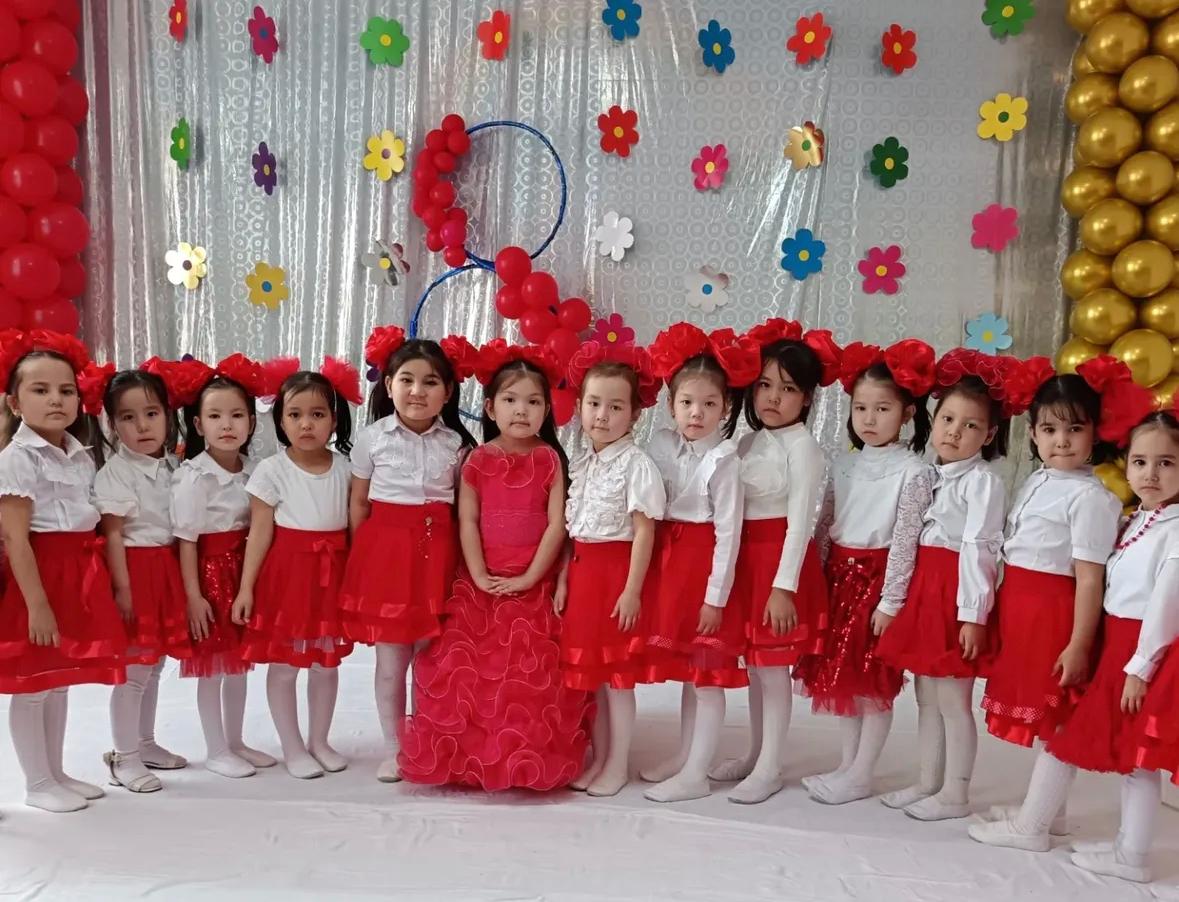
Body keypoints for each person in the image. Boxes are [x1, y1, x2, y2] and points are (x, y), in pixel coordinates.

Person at [970, 374, 1179, 885]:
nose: (1150, 474)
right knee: (1075, 729)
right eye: (1140, 462)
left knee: (1084, 733)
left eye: (1166, 463)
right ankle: (1051, 815)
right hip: (1096, 633)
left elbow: (1115, 586)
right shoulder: (1139, 517)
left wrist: (1098, 648)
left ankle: (1041, 825)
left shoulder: (1104, 504)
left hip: (1115, 640)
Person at [398, 342, 589, 790]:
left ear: (548, 410)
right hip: (480, 582)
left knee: (527, 675)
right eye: (510, 399)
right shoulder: (478, 459)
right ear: (489, 407)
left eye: (533, 402)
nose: (521, 410)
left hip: (533, 581)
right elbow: (467, 519)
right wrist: (479, 574)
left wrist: (531, 576)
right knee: (474, 670)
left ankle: (524, 754)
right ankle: (473, 754)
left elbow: (557, 524)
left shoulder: (549, 459)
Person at [977, 360, 1120, 830]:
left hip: (1056, 613)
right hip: (1022, 608)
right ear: (1034, 433)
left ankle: (1031, 827)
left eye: (1075, 429)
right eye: (1050, 429)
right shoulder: (1039, 480)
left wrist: (1079, 643)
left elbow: (1090, 579)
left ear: (1095, 432)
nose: (1062, 440)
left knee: (1057, 713)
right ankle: (1048, 813)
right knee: (1044, 712)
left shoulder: (1090, 498)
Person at [795, 339, 936, 805]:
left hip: (876, 583)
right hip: (837, 578)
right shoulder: (843, 462)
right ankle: (847, 764)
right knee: (842, 677)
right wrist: (815, 580)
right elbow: (825, 524)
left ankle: (862, 773)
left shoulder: (913, 471)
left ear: (907, 413)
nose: (869, 419)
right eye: (861, 408)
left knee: (872, 682)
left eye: (882, 409)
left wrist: (891, 601)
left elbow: (906, 540)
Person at [875, 348, 1013, 821]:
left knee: (954, 698)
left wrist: (972, 615)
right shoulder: (931, 475)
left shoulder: (983, 482)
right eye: (948, 419)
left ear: (989, 434)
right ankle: (928, 780)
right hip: (926, 588)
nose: (955, 431)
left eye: (970, 425)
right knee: (926, 694)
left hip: (956, 592)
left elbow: (980, 549)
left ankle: (956, 793)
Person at [708, 318, 840, 805]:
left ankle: (770, 766)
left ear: (806, 398)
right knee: (754, 667)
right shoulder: (745, 442)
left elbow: (802, 522)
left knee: (772, 668)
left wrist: (784, 587)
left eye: (787, 389)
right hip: (745, 562)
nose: (773, 397)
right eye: (765, 385)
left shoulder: (804, 448)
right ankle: (754, 752)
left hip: (778, 565)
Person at [339, 326, 477, 782]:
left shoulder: (457, 445)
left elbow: (464, 510)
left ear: (448, 392)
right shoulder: (373, 439)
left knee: (432, 659)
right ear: (389, 384)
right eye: (407, 380)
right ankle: (394, 746)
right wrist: (363, 559)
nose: (417, 391)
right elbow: (359, 504)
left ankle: (428, 739)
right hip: (386, 559)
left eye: (430, 381)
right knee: (390, 661)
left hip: (439, 555)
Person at [0, 330, 126, 812]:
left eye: (66, 390)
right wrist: (36, 604)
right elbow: (16, 539)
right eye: (41, 389)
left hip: (78, 571)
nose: (56, 399)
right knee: (34, 683)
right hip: (41, 575)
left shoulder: (78, 453)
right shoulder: (17, 459)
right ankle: (36, 783)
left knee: (59, 679)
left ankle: (55, 772)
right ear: (15, 402)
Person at [638, 323, 758, 803]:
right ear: (671, 404)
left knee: (708, 675)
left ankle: (696, 774)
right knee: (690, 671)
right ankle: (687, 756)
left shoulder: (724, 460)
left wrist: (715, 597)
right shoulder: (662, 446)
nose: (696, 412)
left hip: (703, 568)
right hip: (671, 566)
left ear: (725, 408)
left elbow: (729, 533)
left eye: (709, 404)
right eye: (687, 402)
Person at [232, 361, 360, 779]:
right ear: (281, 421)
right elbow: (259, 533)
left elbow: (356, 526)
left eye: (317, 414)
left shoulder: (346, 468)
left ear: (334, 420)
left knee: (327, 663)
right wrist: (246, 588)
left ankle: (319, 740)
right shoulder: (272, 470)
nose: (306, 424)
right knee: (285, 665)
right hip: (288, 579)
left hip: (332, 576)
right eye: (295, 414)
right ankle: (292, 746)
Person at [558, 340, 665, 798]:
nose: (603, 415)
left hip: (616, 578)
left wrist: (632, 590)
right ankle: (600, 758)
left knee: (617, 679)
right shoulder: (584, 460)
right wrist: (564, 578)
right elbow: (575, 532)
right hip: (584, 577)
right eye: (594, 404)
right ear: (580, 407)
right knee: (595, 680)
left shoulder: (636, 464)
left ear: (634, 415)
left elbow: (644, 531)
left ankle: (618, 764)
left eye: (616, 407)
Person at [166, 355, 276, 778]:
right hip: (210, 576)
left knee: (239, 665)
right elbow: (187, 541)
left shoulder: (254, 471)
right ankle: (215, 748)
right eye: (214, 416)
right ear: (198, 424)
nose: (226, 425)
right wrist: (193, 596)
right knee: (213, 668)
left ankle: (236, 740)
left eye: (236, 415)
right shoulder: (194, 476)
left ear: (251, 422)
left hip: (243, 572)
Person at [93, 368, 192, 792]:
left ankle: (145, 742)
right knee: (134, 670)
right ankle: (124, 757)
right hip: (135, 571)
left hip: (166, 568)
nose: (142, 426)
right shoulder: (115, 473)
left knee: (155, 665)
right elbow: (113, 535)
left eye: (151, 413)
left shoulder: (173, 466)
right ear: (113, 424)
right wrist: (122, 589)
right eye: (128, 417)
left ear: (168, 415)